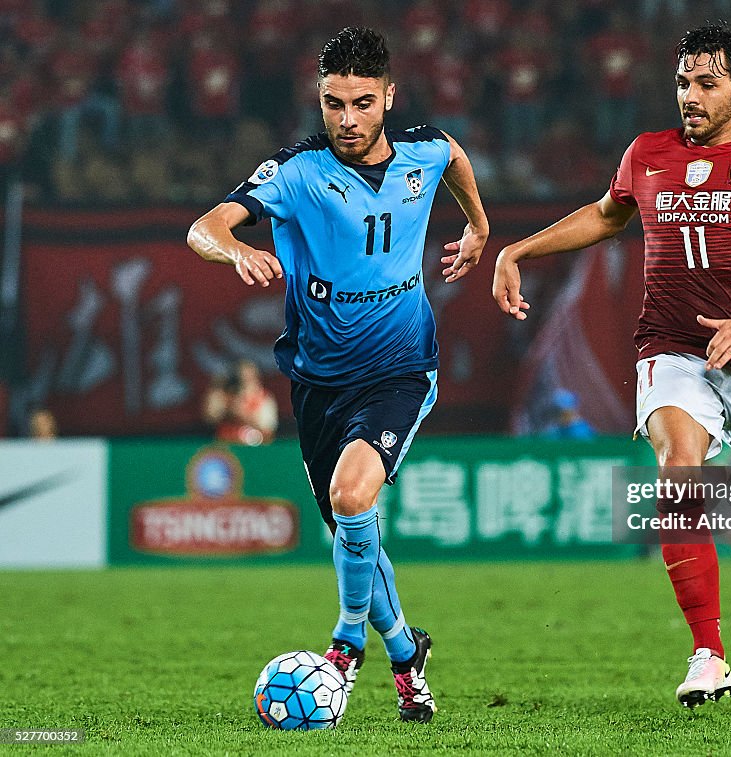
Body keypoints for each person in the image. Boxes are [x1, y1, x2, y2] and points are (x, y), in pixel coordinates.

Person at [493, 22, 731, 708]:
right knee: (678, 470)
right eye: (682, 83)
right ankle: (708, 652)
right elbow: (607, 216)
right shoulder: (648, 152)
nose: (689, 96)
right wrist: (518, 250)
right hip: (670, 345)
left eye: (706, 84)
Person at [187, 27, 489, 723]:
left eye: (360, 102)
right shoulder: (295, 173)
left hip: (400, 369)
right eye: (333, 103)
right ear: (318, 101)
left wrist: (479, 227)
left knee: (354, 501)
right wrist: (232, 248)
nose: (346, 119)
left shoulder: (423, 150)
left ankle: (346, 646)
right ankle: (407, 655)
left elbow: (454, 157)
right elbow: (205, 225)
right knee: (356, 531)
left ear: (388, 97)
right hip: (319, 384)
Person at [202, 359, 279, 445]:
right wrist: (217, 391)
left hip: (254, 445)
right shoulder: (227, 395)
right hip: (227, 444)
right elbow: (211, 416)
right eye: (241, 375)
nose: (245, 379)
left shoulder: (264, 398)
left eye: (249, 375)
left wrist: (245, 416)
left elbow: (268, 428)